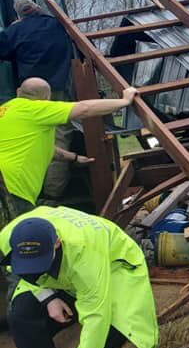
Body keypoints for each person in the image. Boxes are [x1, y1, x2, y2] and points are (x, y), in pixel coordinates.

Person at [0, 207, 158, 348]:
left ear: (56, 243)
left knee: (111, 325)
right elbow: (14, 269)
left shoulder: (85, 251)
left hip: (113, 268)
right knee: (21, 314)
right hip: (61, 275)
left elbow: (95, 314)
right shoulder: (8, 236)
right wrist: (48, 298)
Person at [0, 78, 137, 232]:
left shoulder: (6, 109)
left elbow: (47, 148)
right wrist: (124, 101)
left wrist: (74, 158)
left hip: (5, 182)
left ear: (18, 91)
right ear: (48, 98)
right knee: (13, 238)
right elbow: (84, 108)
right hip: (12, 188)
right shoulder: (37, 109)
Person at [0, 0, 78, 199]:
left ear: (19, 15)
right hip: (59, 90)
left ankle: (26, 192)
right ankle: (52, 195)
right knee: (59, 138)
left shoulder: (16, 31)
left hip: (29, 94)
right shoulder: (58, 24)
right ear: (38, 8)